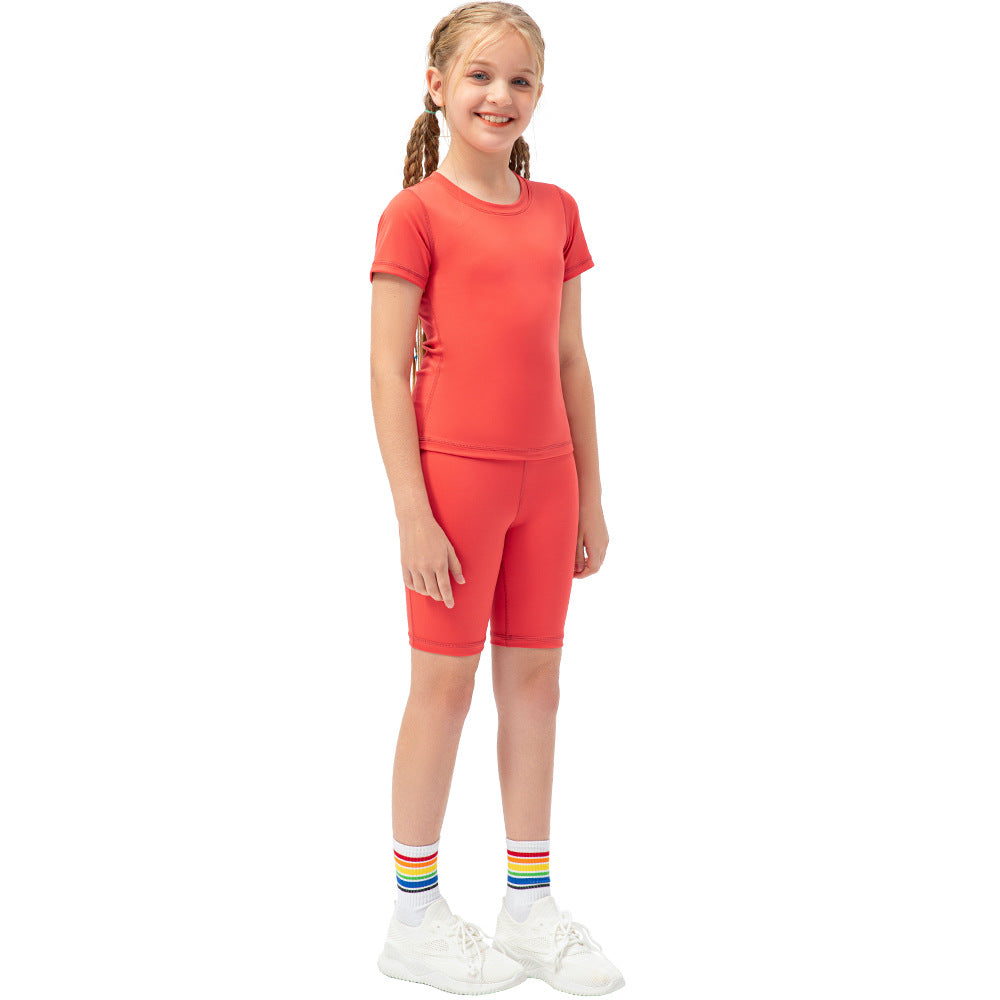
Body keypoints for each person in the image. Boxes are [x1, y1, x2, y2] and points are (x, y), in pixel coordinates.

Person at [369, 3, 624, 994]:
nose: (499, 96)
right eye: (479, 76)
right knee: (442, 687)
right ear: (437, 86)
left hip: (546, 483)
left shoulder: (556, 209)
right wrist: (412, 511)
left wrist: (590, 494)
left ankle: (528, 905)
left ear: (539, 94)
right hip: (456, 484)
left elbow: (570, 358)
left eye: (519, 80)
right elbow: (385, 371)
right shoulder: (415, 215)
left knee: (536, 684)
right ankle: (414, 914)